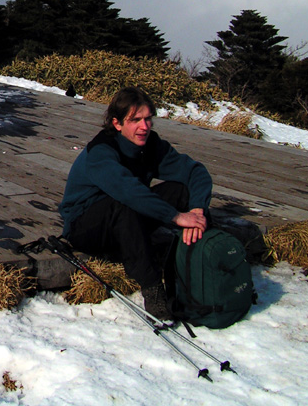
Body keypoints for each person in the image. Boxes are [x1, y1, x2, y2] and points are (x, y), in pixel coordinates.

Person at [59, 86, 212, 319]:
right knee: (123, 205)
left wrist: (197, 210)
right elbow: (129, 192)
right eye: (135, 120)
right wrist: (177, 217)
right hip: (86, 225)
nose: (144, 127)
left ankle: (206, 250)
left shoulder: (151, 145)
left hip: (128, 215)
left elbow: (195, 172)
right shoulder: (101, 152)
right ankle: (152, 288)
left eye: (148, 119)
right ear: (117, 123)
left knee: (180, 190)